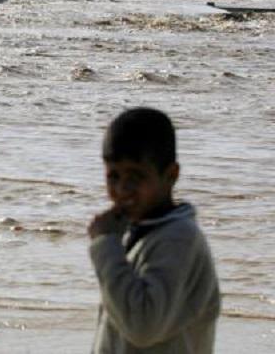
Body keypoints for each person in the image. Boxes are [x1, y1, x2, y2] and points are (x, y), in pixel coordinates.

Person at [88, 108, 220, 354]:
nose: (122, 188)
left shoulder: (178, 238)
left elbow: (142, 327)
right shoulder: (139, 232)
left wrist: (105, 245)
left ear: (171, 175)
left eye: (136, 177)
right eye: (113, 176)